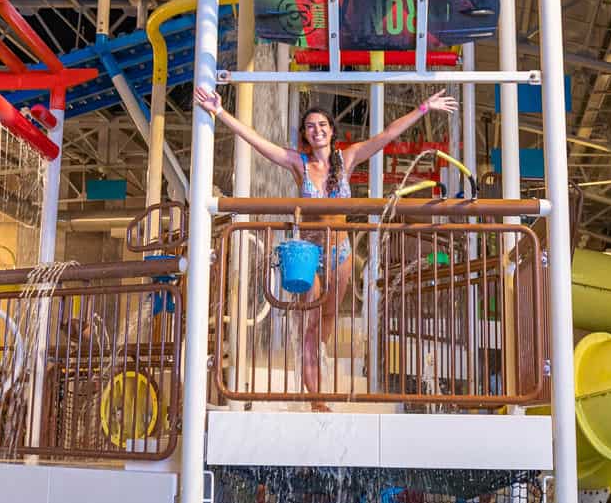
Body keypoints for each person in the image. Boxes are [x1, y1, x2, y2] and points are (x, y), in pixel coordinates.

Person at [194, 86, 458, 409]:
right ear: (305, 135)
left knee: (328, 318)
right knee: (310, 322)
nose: (317, 130)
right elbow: (259, 144)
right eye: (310, 126)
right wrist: (220, 112)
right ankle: (316, 398)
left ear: (332, 131)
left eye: (322, 125)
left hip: (342, 253)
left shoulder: (346, 159)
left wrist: (423, 109)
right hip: (308, 255)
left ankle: (314, 362)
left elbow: (386, 135)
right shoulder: (298, 163)